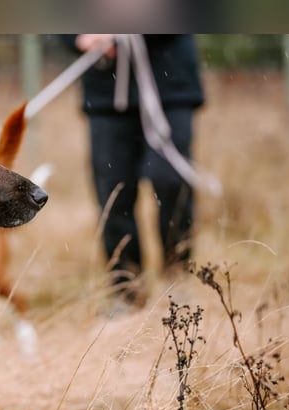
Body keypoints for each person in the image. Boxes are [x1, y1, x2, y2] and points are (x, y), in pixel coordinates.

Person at [63, 34, 205, 307]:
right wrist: (79, 36)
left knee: (171, 182)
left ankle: (177, 276)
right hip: (106, 89)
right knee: (114, 193)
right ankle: (127, 289)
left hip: (170, 83)